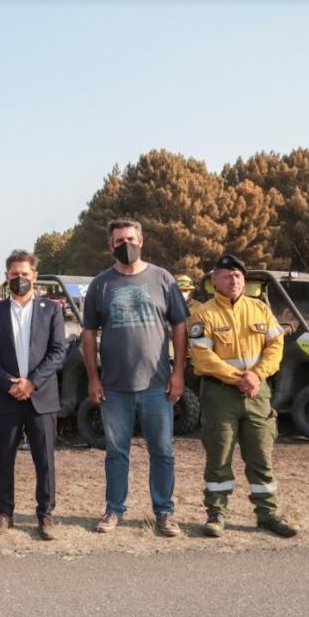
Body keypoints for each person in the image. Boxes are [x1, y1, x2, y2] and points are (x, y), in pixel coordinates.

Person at [82, 219, 188, 537]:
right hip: (115, 388)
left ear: (141, 240)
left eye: (129, 238)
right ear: (109, 246)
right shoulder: (100, 284)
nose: (124, 244)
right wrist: (93, 378)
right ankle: (114, 510)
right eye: (118, 240)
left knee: (163, 452)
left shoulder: (163, 279)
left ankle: (164, 512)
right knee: (116, 453)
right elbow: (88, 334)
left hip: (157, 385)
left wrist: (179, 371)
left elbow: (179, 327)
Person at [188, 254, 298, 538]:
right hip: (219, 395)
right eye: (227, 275)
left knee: (261, 456)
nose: (234, 279)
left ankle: (268, 515)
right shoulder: (204, 313)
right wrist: (240, 378)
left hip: (257, 392)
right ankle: (216, 514)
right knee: (219, 455)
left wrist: (257, 374)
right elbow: (202, 357)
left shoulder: (259, 309)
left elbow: (276, 344)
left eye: (238, 275)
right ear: (214, 281)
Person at [0, 250, 67, 540]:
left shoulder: (51, 309)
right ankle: (4, 512)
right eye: (15, 275)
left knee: (45, 460)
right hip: (7, 398)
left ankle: (46, 515)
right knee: (4, 457)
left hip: (41, 398)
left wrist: (32, 382)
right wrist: (9, 383)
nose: (20, 280)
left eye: (25, 275)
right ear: (7, 277)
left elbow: (58, 352)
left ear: (35, 276)